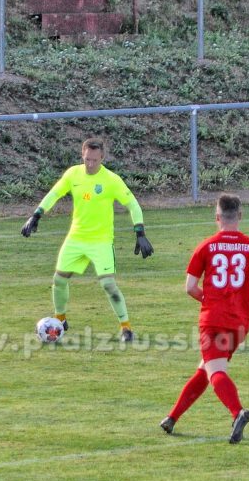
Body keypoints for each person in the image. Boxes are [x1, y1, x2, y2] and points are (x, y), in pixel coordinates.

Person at [160, 194, 249, 444]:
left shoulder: (206, 246)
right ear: (240, 216)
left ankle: (238, 413)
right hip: (240, 323)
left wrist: (207, 299)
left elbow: (190, 287)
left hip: (213, 320)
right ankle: (172, 418)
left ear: (217, 217)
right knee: (206, 368)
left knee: (215, 370)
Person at [21, 137, 153, 342]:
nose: (90, 164)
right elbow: (54, 193)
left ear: (102, 157)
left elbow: (133, 205)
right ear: (82, 155)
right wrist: (36, 215)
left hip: (101, 241)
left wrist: (140, 232)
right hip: (76, 238)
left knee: (108, 285)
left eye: (94, 160)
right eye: (87, 159)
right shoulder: (73, 174)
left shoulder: (111, 180)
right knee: (59, 279)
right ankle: (60, 320)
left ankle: (126, 328)